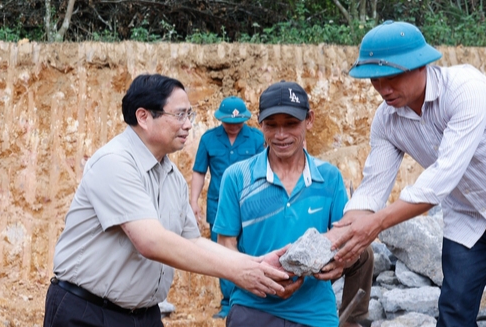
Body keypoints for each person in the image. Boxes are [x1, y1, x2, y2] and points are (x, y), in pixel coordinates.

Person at [330, 21, 486, 327]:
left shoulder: (468, 90)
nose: (383, 89)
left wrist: (374, 225)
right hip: (466, 218)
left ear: (421, 66)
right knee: (454, 313)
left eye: (392, 77)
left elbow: (442, 178)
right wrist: (344, 232)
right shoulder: (387, 120)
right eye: (374, 80)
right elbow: (372, 187)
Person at [43, 74, 289, 327]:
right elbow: (151, 241)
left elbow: (192, 240)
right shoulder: (114, 162)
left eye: (189, 115)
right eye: (180, 115)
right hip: (88, 313)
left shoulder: (172, 177)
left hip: (144, 316)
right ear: (144, 117)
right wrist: (237, 273)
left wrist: (253, 263)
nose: (188, 125)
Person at [214, 81, 373, 327]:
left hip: (315, 312)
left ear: (309, 119)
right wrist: (255, 276)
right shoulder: (237, 177)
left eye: (291, 124)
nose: (281, 135)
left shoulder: (329, 178)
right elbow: (225, 245)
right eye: (271, 125)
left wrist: (341, 264)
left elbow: (346, 243)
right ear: (259, 123)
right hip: (252, 307)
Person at [190, 96, 265, 318]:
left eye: (238, 122)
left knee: (249, 249)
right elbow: (199, 171)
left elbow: (265, 168)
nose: (234, 126)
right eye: (229, 122)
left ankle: (250, 299)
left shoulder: (256, 138)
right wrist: (193, 201)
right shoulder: (208, 139)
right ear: (220, 120)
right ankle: (228, 302)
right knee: (223, 252)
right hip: (219, 206)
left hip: (250, 205)